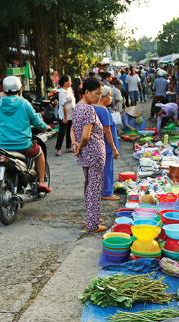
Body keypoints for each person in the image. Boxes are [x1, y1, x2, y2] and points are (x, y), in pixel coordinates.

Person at [0, 76, 51, 193]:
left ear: (4, 90)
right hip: (23, 145)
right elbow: (35, 120)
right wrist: (46, 127)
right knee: (39, 153)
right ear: (20, 89)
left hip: (3, 146)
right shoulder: (24, 103)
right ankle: (41, 182)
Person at [71, 77, 106, 233]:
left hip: (85, 154)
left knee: (89, 187)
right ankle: (93, 224)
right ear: (86, 92)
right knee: (94, 188)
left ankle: (91, 219)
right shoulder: (88, 109)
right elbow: (86, 135)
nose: (99, 96)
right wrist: (80, 144)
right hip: (94, 154)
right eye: (97, 93)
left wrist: (75, 144)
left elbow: (73, 130)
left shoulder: (78, 106)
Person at [93, 87, 120, 201]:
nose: (111, 98)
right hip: (106, 145)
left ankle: (97, 190)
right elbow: (107, 131)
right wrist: (114, 148)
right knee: (107, 168)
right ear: (104, 97)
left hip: (96, 144)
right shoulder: (103, 110)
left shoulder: (93, 107)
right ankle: (107, 192)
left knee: (98, 169)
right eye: (110, 95)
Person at [55, 75, 75, 156]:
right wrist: (65, 117)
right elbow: (63, 106)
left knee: (70, 131)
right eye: (69, 81)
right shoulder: (62, 92)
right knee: (62, 132)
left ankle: (68, 147)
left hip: (71, 114)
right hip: (64, 115)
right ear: (65, 82)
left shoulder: (69, 89)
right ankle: (58, 148)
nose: (70, 82)